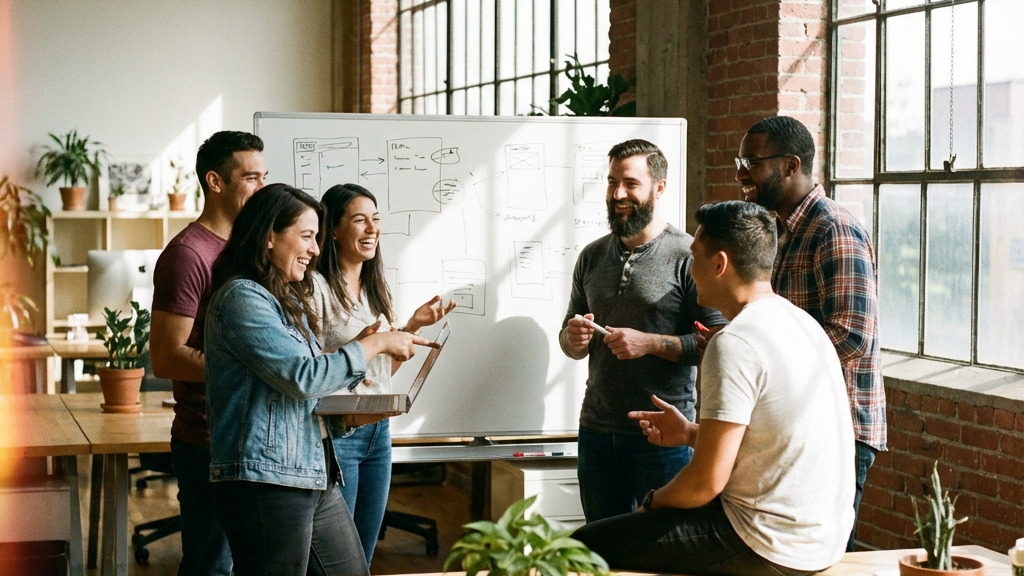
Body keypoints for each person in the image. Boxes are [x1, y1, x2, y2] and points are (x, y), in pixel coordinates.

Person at [572, 200, 855, 575]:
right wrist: (691, 433)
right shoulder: (800, 322)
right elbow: (770, 439)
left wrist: (651, 503)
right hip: (824, 539)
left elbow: (704, 483)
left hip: (764, 543)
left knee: (580, 547)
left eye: (695, 257)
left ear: (719, 264)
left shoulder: (735, 340)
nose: (691, 267)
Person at [202, 183, 435, 575]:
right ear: (269, 237)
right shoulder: (243, 298)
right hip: (267, 480)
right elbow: (302, 376)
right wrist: (374, 344)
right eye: (307, 237)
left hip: (313, 470)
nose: (314, 249)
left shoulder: (284, 298)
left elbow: (315, 381)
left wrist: (366, 355)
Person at [736, 115, 885, 550]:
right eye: (739, 160)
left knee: (822, 556)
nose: (741, 172)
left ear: (790, 165)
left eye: (751, 160)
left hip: (841, 429)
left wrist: (771, 362)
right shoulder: (780, 230)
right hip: (799, 425)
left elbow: (854, 337)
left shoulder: (832, 229)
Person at [559, 139, 726, 522]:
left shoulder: (688, 255)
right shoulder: (592, 256)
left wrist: (649, 343)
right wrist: (573, 338)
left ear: (659, 188)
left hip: (663, 433)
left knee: (664, 547)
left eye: (631, 184)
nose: (618, 194)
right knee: (601, 548)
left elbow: (717, 344)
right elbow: (570, 341)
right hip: (597, 430)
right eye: (612, 182)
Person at [310, 183, 454, 563]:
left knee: (365, 557)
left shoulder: (375, 287)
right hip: (340, 433)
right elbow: (310, 371)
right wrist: (361, 344)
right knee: (341, 560)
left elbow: (380, 370)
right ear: (333, 230)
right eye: (360, 220)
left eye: (376, 219)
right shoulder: (316, 288)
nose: (372, 229)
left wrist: (411, 328)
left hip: (379, 432)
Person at [150, 130, 266, 575]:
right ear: (215, 181)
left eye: (264, 176)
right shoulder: (188, 254)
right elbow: (167, 357)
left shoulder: (248, 248)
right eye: (250, 177)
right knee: (211, 566)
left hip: (252, 435)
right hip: (210, 441)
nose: (261, 187)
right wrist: (256, 369)